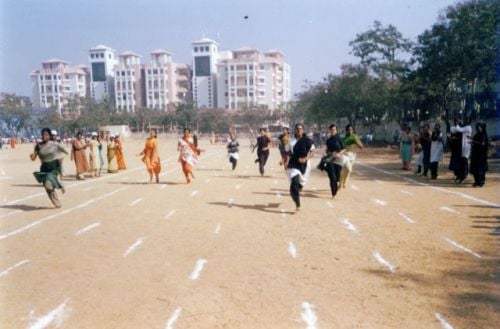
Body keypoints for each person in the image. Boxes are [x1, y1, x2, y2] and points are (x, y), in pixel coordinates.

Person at [30, 128, 68, 208]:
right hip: (44, 167)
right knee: (47, 187)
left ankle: (60, 184)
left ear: (50, 136)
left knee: (48, 185)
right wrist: (32, 156)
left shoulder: (54, 144)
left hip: (53, 166)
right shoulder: (38, 146)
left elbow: (65, 151)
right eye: (43, 134)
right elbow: (34, 158)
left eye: (46, 135)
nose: (44, 136)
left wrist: (59, 158)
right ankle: (56, 201)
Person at [287, 123, 315, 211]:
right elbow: (287, 152)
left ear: (303, 130)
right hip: (294, 164)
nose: (299, 130)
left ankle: (299, 187)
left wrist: (305, 158)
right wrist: (284, 161)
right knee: (294, 182)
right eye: (297, 129)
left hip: (304, 164)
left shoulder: (308, 141)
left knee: (300, 183)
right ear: (295, 130)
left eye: (301, 129)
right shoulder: (291, 142)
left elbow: (312, 152)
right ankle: (297, 203)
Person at [319, 124, 346, 199]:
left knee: (337, 177)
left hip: (339, 159)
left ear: (336, 130)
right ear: (329, 130)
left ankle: (336, 184)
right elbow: (326, 149)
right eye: (331, 129)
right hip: (330, 159)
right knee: (332, 177)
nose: (333, 131)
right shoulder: (328, 140)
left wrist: (339, 154)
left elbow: (344, 149)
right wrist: (324, 153)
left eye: (334, 129)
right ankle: (333, 193)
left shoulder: (340, 139)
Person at [339, 124, 364, 188]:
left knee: (347, 170)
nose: (350, 131)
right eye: (349, 130)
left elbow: (361, 147)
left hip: (353, 156)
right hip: (345, 156)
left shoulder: (355, 137)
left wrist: (356, 142)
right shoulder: (344, 139)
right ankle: (343, 182)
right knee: (348, 169)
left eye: (351, 130)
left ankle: (342, 182)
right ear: (346, 131)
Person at [469, 122, 488, 187]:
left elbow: (482, 144)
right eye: (478, 126)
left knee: (480, 168)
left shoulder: (483, 135)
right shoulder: (477, 134)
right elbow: (476, 141)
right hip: (475, 154)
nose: (479, 128)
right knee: (475, 168)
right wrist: (471, 139)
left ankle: (480, 181)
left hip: (481, 154)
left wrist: (474, 142)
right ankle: (477, 181)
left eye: (480, 126)